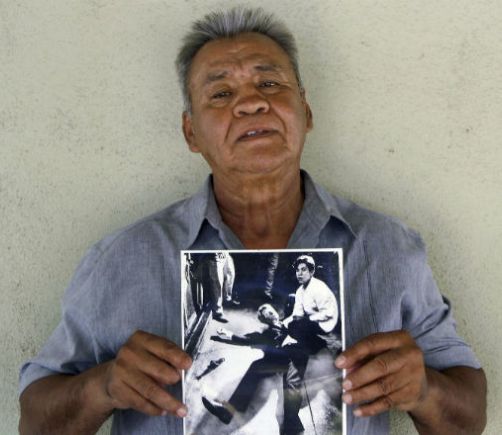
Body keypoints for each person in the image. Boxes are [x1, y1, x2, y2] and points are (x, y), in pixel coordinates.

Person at [18, 6, 487, 435]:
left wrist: (423, 390)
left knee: (275, 362)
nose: (250, 103)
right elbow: (35, 423)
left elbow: (468, 418)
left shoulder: (387, 248)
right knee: (266, 357)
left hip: (308, 343)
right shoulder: (123, 259)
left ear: (305, 111)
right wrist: (103, 387)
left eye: (270, 84)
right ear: (191, 132)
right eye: (221, 92)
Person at [203, 303, 316, 434]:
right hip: (279, 360)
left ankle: (293, 427)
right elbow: (246, 339)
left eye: (270, 311)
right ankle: (227, 413)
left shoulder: (289, 321)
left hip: (295, 356)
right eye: (264, 314)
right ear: (263, 320)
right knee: (257, 366)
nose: (269, 314)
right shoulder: (266, 333)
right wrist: (227, 336)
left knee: (290, 389)